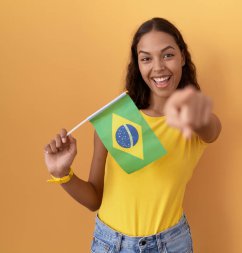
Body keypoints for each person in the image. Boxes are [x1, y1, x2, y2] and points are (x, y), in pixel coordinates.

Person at [44, 17, 222, 253]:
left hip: (170, 245)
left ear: (182, 57)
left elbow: (212, 129)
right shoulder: (117, 118)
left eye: (167, 55)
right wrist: (62, 173)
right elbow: (94, 199)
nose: (158, 67)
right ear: (138, 65)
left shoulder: (194, 121)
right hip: (111, 244)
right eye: (146, 58)